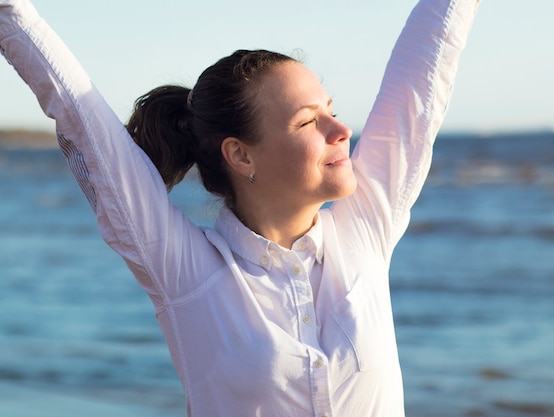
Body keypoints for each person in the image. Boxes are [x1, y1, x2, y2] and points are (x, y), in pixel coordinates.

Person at [0, 0, 479, 415]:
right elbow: (82, 121)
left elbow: (421, 82)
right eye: (308, 120)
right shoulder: (188, 273)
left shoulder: (364, 233)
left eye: (329, 107)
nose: (340, 128)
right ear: (240, 154)